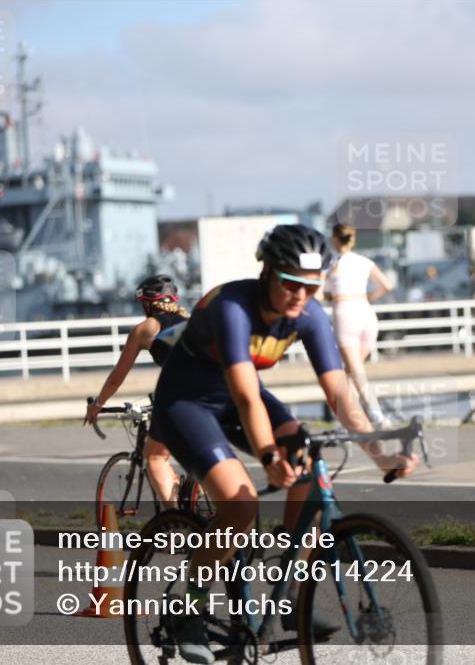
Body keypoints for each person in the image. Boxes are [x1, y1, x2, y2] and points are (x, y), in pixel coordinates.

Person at [152, 224, 418, 663]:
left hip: (242, 399)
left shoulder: (310, 315)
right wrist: (269, 455)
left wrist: (380, 453)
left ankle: (292, 599)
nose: (299, 295)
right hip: (187, 404)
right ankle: (190, 610)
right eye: (290, 283)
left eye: (310, 286)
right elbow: (245, 395)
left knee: (312, 470)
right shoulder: (233, 307)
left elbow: (339, 395)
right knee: (239, 507)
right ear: (268, 272)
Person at [84, 274, 190, 508]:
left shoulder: (146, 328)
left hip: (179, 393)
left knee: (154, 457)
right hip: (213, 389)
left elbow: (116, 378)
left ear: (147, 303)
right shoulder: (191, 321)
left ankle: (178, 525)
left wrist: (98, 404)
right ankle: (198, 500)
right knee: (197, 457)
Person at [324, 222, 395, 428]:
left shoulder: (332, 263)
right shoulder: (365, 261)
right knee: (352, 371)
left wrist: (329, 295)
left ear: (335, 239)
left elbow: (319, 292)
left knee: (355, 371)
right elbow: (388, 285)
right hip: (366, 312)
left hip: (345, 313)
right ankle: (348, 419)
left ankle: (375, 414)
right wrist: (372, 295)